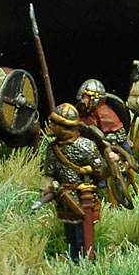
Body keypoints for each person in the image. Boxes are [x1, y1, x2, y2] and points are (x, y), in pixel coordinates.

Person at [40, 103, 109, 263]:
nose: (51, 126)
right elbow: (49, 173)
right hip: (64, 198)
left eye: (55, 123)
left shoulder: (85, 146)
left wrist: (89, 170)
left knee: (83, 234)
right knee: (70, 234)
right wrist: (45, 189)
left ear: (65, 127)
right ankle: (74, 261)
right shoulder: (53, 148)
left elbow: (103, 170)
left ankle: (87, 262)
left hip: (83, 199)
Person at [75, 79, 130, 153]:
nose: (82, 101)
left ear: (95, 98)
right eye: (82, 97)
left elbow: (120, 137)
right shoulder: (81, 112)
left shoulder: (104, 113)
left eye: (85, 97)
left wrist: (101, 136)